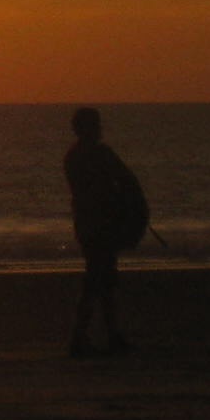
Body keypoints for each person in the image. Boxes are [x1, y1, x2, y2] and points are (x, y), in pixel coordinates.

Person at [64, 108, 148, 356]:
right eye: (96, 125)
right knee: (97, 280)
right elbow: (125, 180)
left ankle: (108, 335)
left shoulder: (73, 157)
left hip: (87, 224)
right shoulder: (98, 154)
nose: (100, 129)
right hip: (101, 224)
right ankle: (81, 337)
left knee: (103, 279)